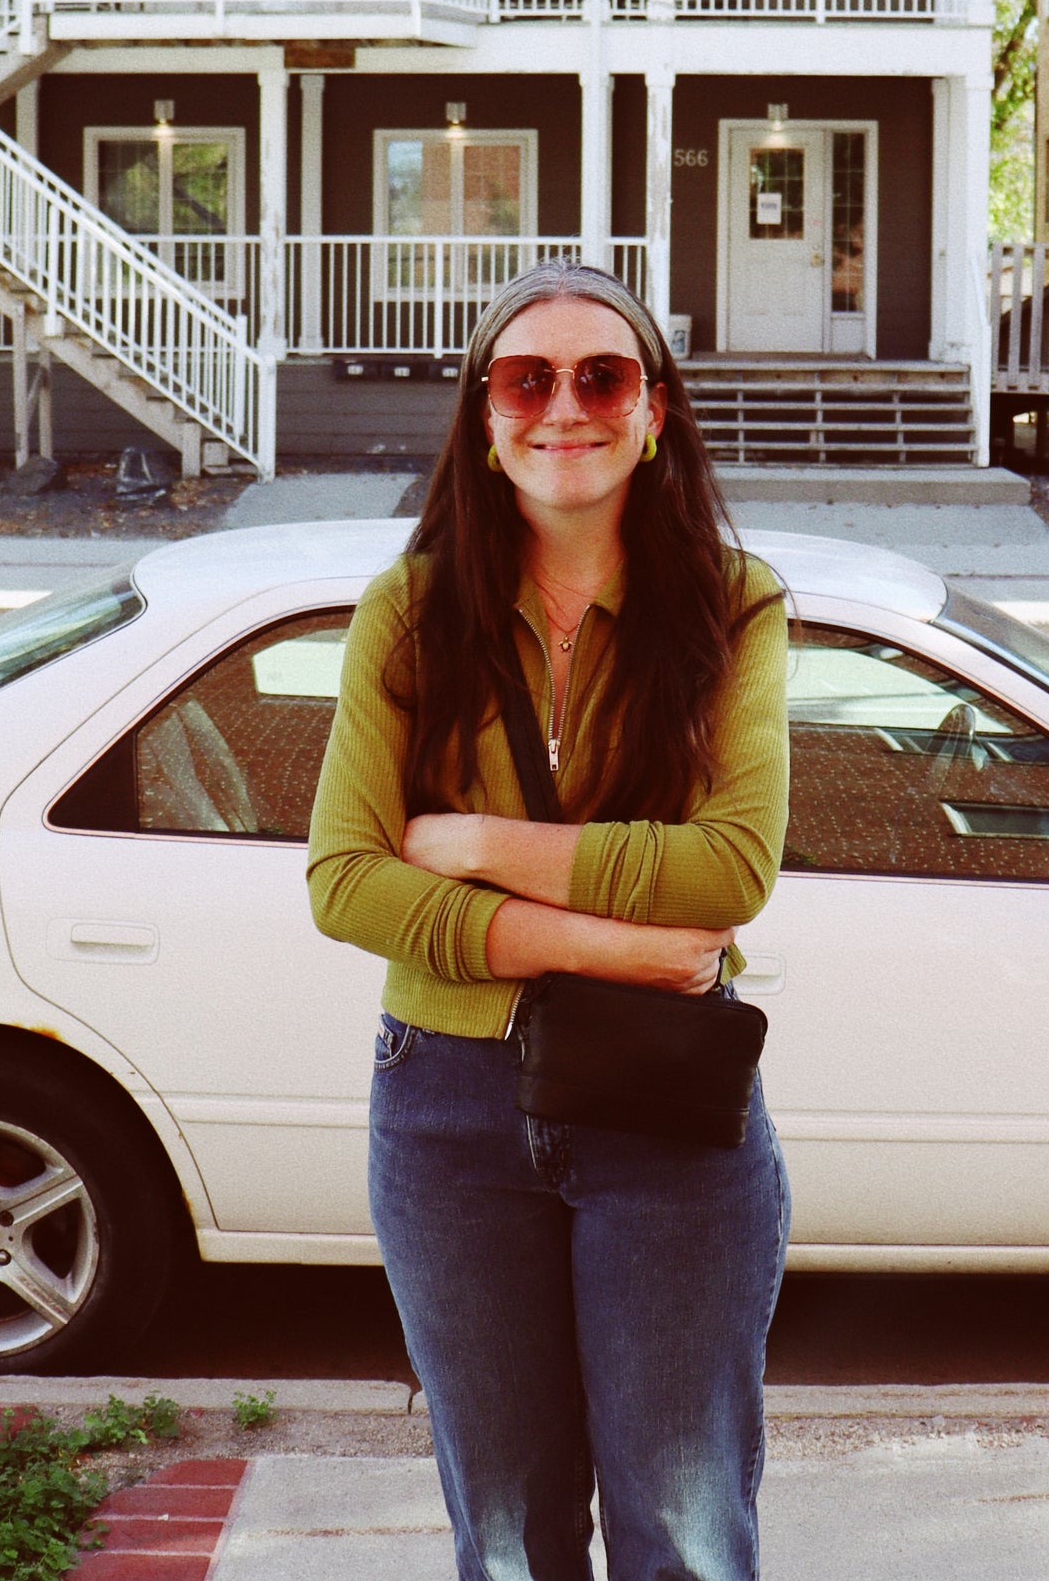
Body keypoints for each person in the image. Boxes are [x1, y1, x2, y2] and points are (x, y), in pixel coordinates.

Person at [307, 259, 791, 1581]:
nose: (562, 406)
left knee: (682, 1533)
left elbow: (730, 869)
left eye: (602, 375)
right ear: (478, 416)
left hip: (666, 1108)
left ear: (657, 410)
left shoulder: (732, 603)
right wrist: (609, 940)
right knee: (508, 1536)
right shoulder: (407, 613)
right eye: (525, 377)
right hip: (447, 1109)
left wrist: (470, 847)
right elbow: (345, 879)